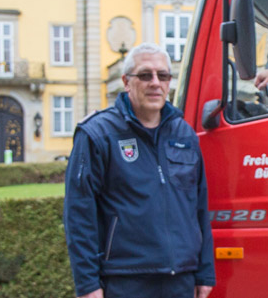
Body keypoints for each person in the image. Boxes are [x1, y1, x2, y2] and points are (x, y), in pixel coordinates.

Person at [64, 43, 215, 298]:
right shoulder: (97, 134)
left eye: (163, 75)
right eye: (145, 75)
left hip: (180, 280)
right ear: (126, 82)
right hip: (125, 281)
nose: (155, 83)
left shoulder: (184, 134)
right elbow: (79, 215)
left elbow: (199, 208)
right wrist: (87, 284)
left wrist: (205, 272)